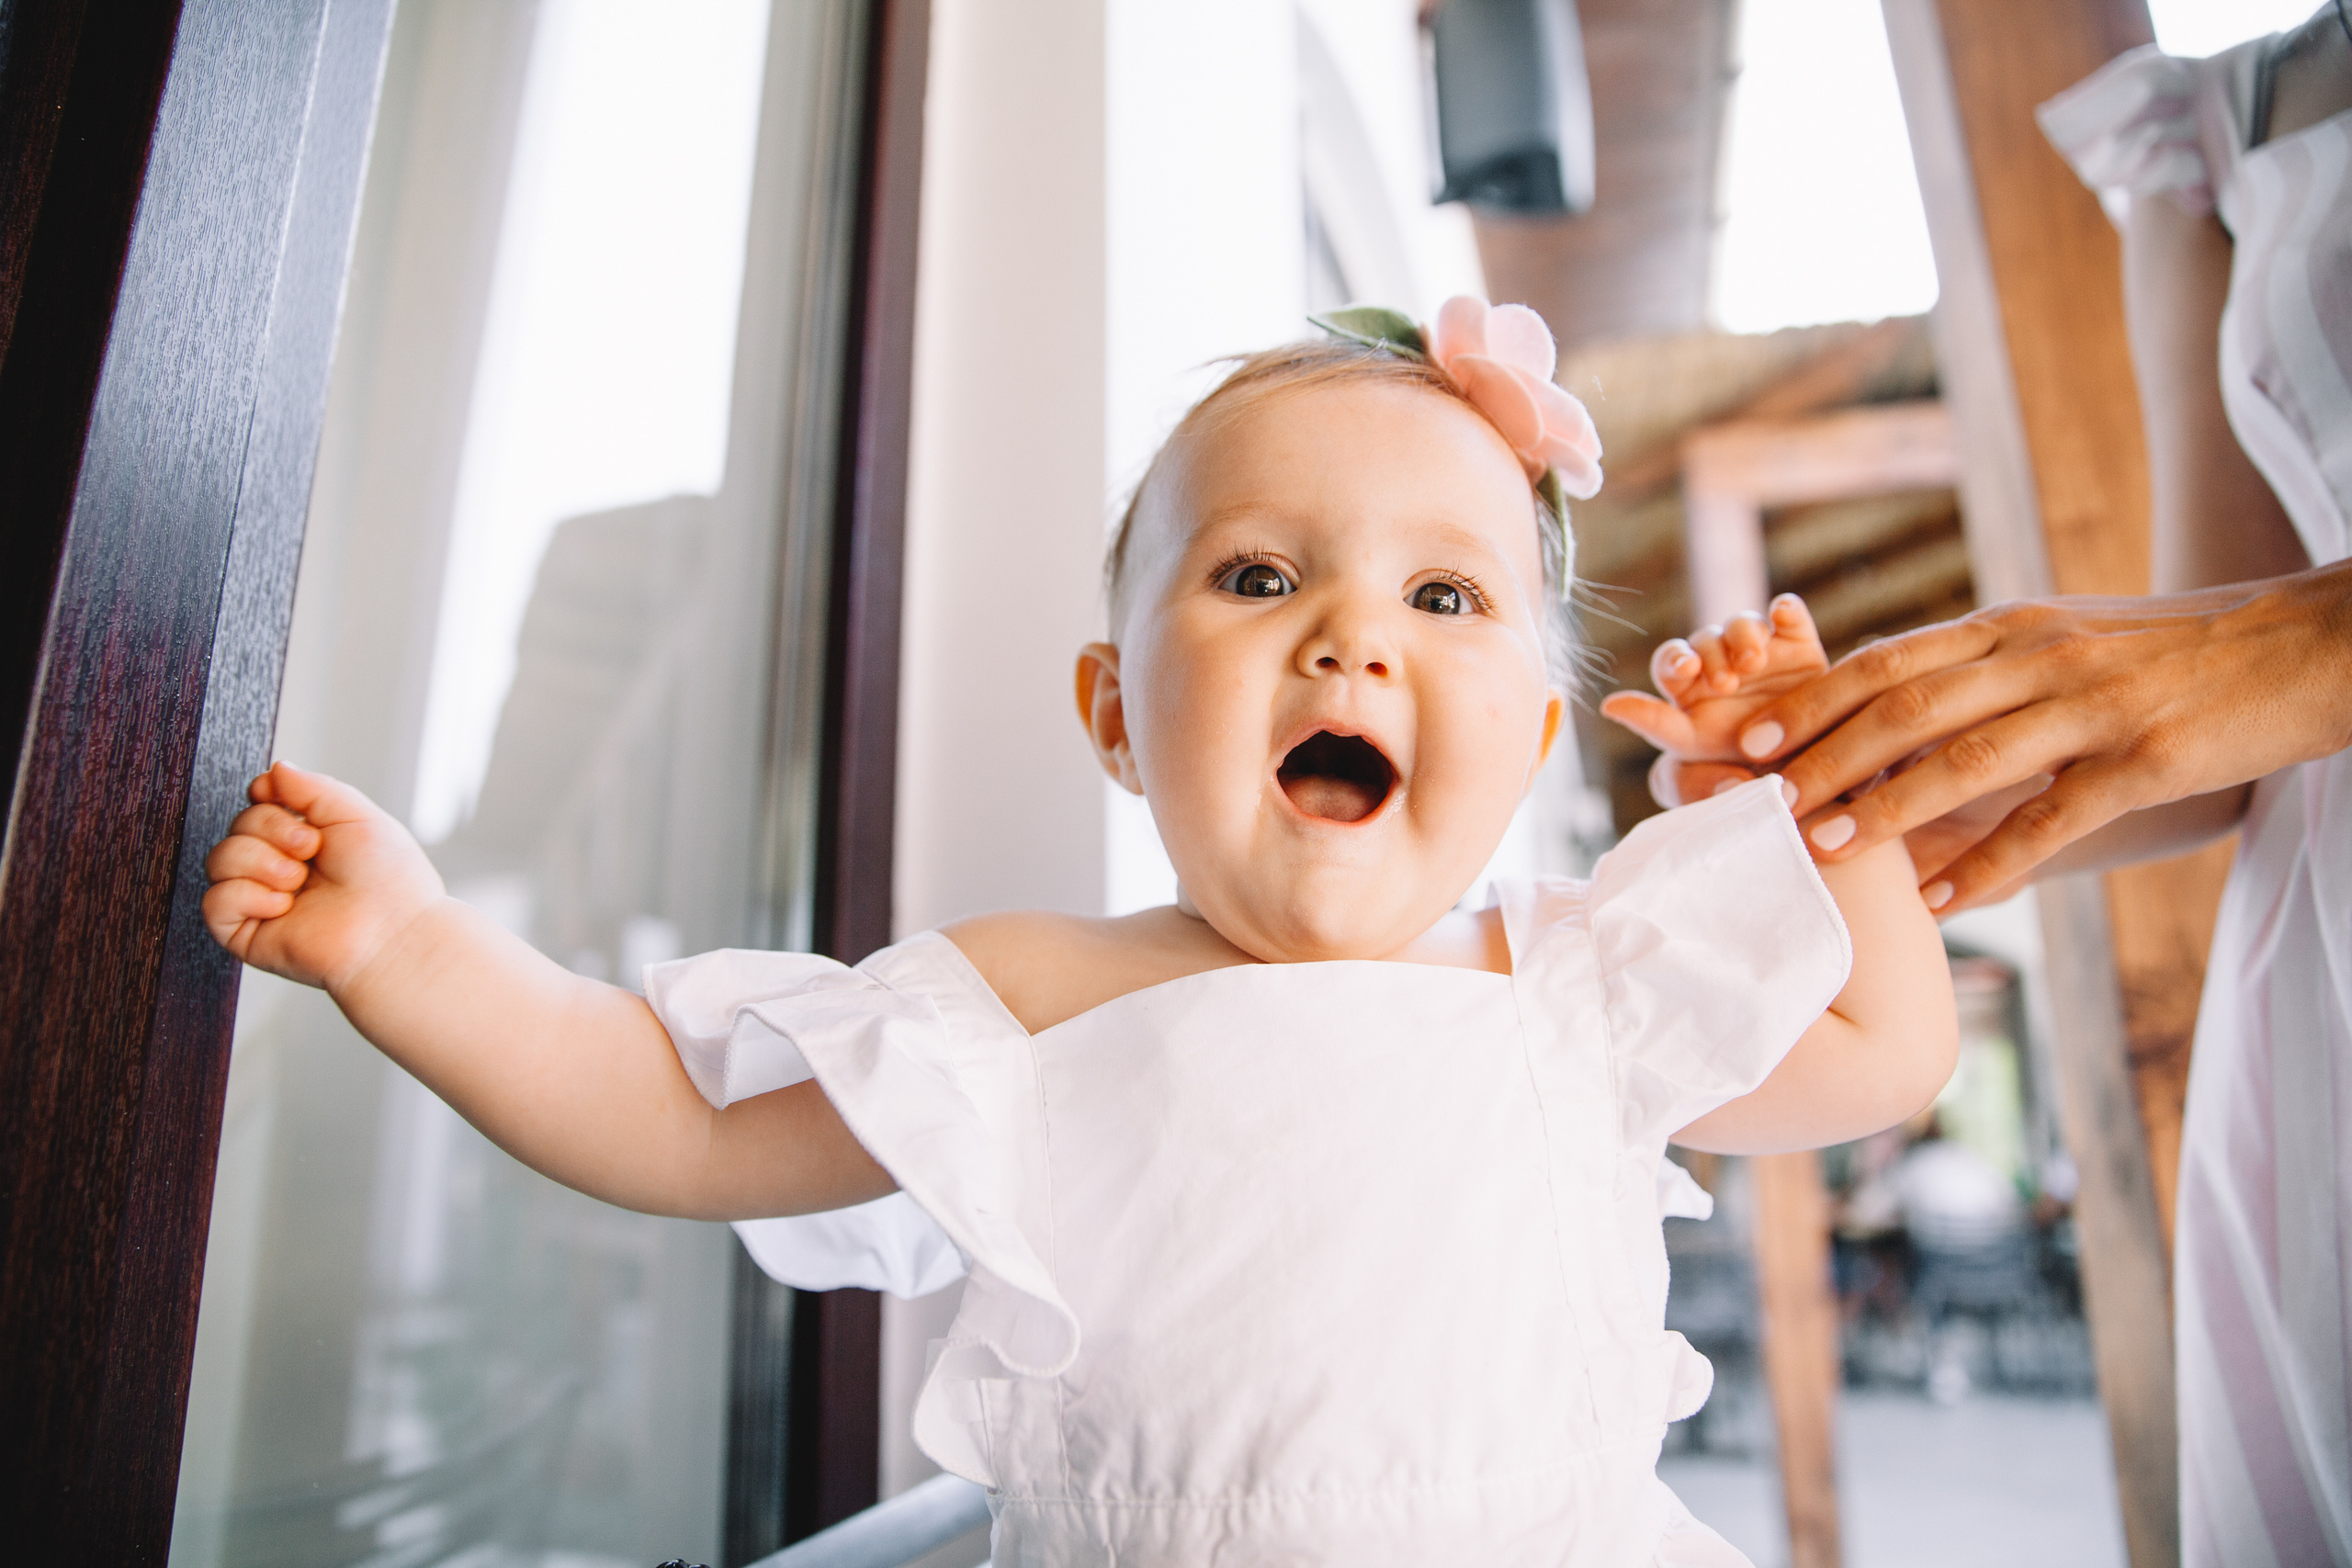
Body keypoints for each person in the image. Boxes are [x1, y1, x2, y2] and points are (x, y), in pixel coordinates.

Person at [203, 296, 1957, 1566]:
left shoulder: (1580, 987)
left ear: (1541, 740)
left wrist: (1819, 794)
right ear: (1115, 714)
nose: (1354, 640)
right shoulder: (1035, 999)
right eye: (1260, 576)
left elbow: (1888, 1051)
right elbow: (677, 1119)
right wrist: (413, 954)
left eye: (1445, 594)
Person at [1605, 12, 2352, 1561]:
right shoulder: (2220, 132)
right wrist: (1896, 796)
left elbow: (2269, 655)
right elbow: (2222, 726)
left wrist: (2305, 643)